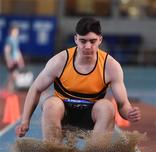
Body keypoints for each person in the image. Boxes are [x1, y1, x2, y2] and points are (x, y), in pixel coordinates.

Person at [15, 17, 141, 145]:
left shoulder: (111, 66)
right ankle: (52, 149)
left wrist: (129, 113)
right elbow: (36, 88)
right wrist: (25, 120)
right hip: (63, 115)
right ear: (75, 39)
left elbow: (123, 104)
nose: (88, 46)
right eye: (83, 41)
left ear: (100, 40)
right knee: (51, 104)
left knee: (107, 107)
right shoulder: (59, 61)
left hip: (91, 119)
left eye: (93, 41)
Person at [4, 24, 25, 91]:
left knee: (11, 76)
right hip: (11, 61)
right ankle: (9, 90)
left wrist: (21, 60)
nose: (17, 32)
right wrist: (8, 60)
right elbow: (7, 50)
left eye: (17, 31)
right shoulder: (9, 39)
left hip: (16, 61)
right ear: (11, 31)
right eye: (15, 31)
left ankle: (8, 89)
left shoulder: (16, 39)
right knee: (15, 75)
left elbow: (17, 51)